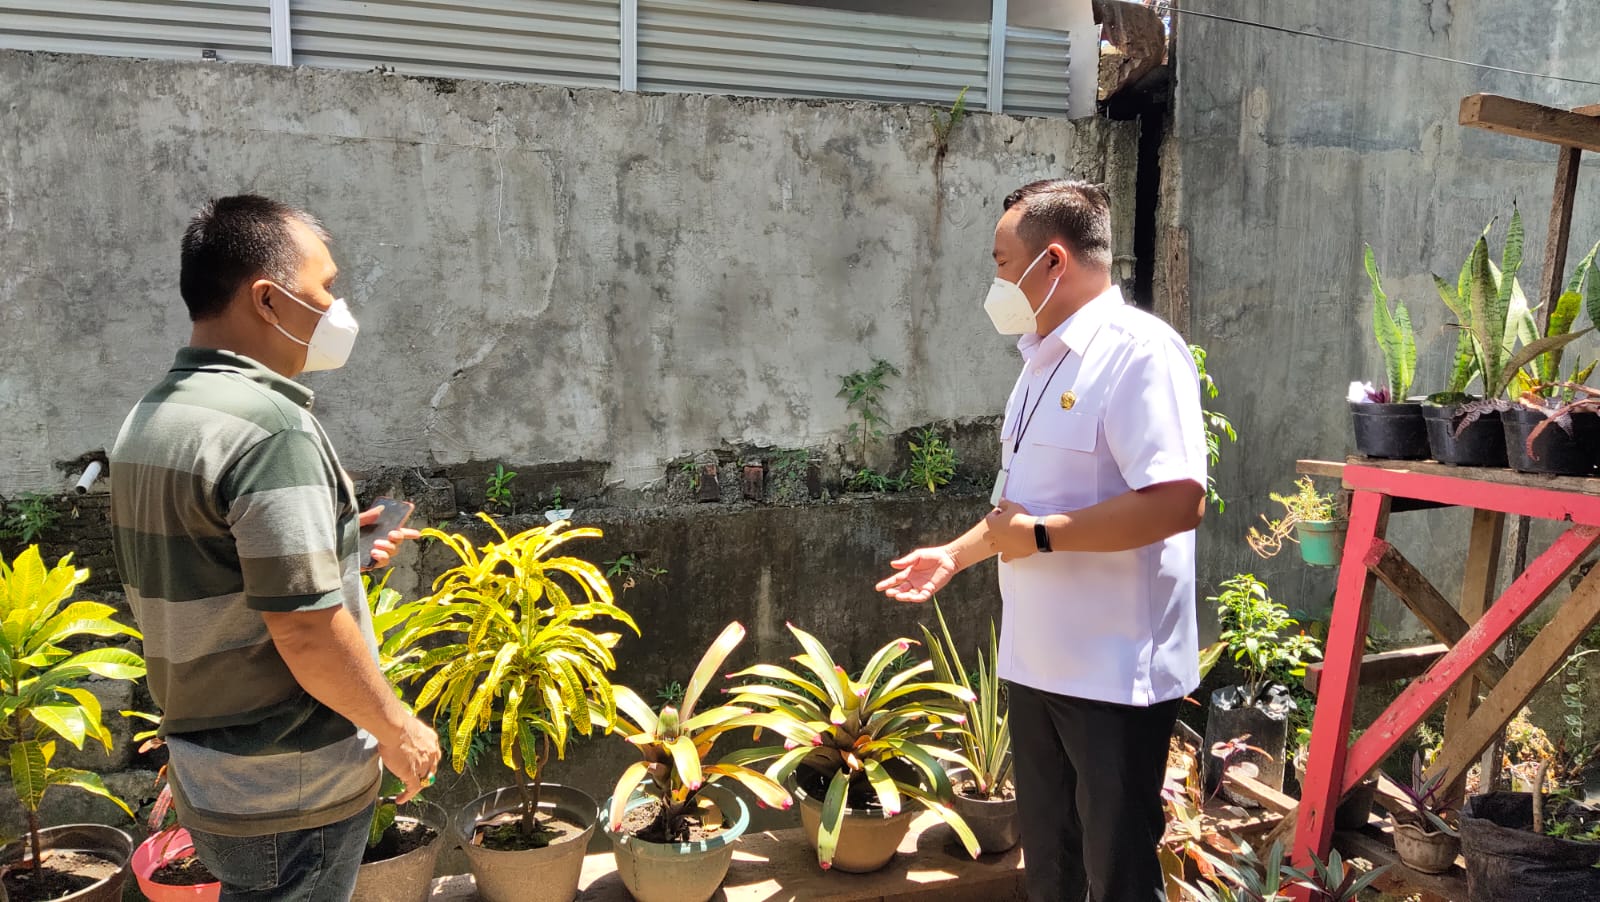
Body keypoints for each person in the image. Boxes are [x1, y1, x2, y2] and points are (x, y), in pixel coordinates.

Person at [876, 179, 1206, 902]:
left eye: (1002, 262)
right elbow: (1017, 512)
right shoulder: (1040, 364)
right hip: (1037, 665)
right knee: (1050, 872)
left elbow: (1178, 501)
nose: (997, 281)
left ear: (1052, 260)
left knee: (1117, 877)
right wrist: (954, 555)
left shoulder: (1140, 353)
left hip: (1114, 677)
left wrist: (1042, 537)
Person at [110, 195, 442, 901]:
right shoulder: (270, 428)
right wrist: (399, 730)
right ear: (268, 299)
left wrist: (336, 552)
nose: (337, 308)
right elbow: (306, 631)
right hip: (292, 784)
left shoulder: (156, 414)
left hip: (215, 774)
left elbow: (206, 565)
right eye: (325, 286)